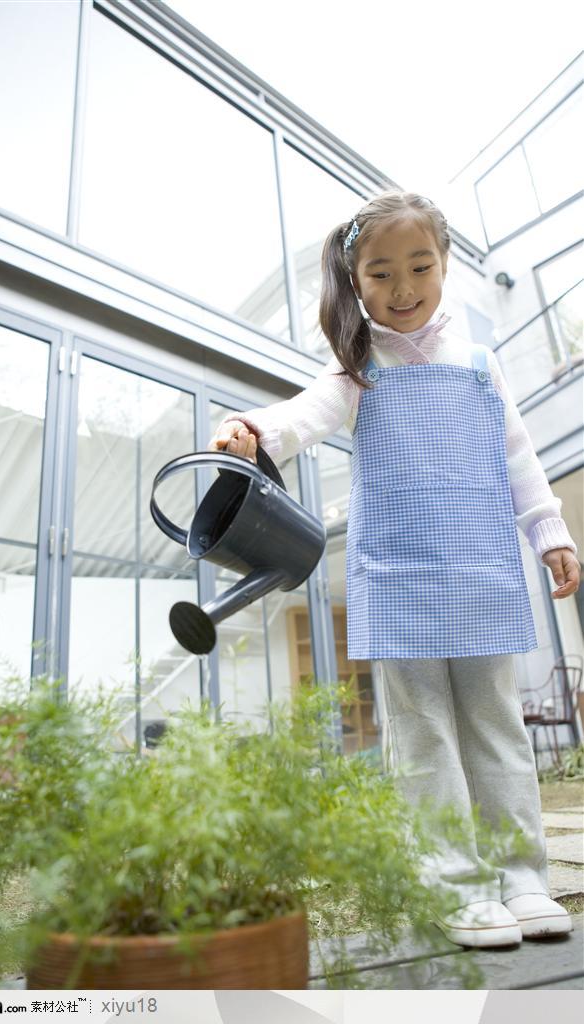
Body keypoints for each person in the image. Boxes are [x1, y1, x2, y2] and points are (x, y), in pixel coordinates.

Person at [209, 190, 580, 949]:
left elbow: (520, 457)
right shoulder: (357, 368)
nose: (404, 287)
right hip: (399, 576)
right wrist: (254, 430)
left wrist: (550, 531)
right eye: (381, 274)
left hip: (479, 570)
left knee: (495, 724)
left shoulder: (480, 364)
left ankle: (523, 877)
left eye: (421, 266)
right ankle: (456, 882)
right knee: (421, 734)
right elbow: (305, 414)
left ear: (445, 265)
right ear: (355, 282)